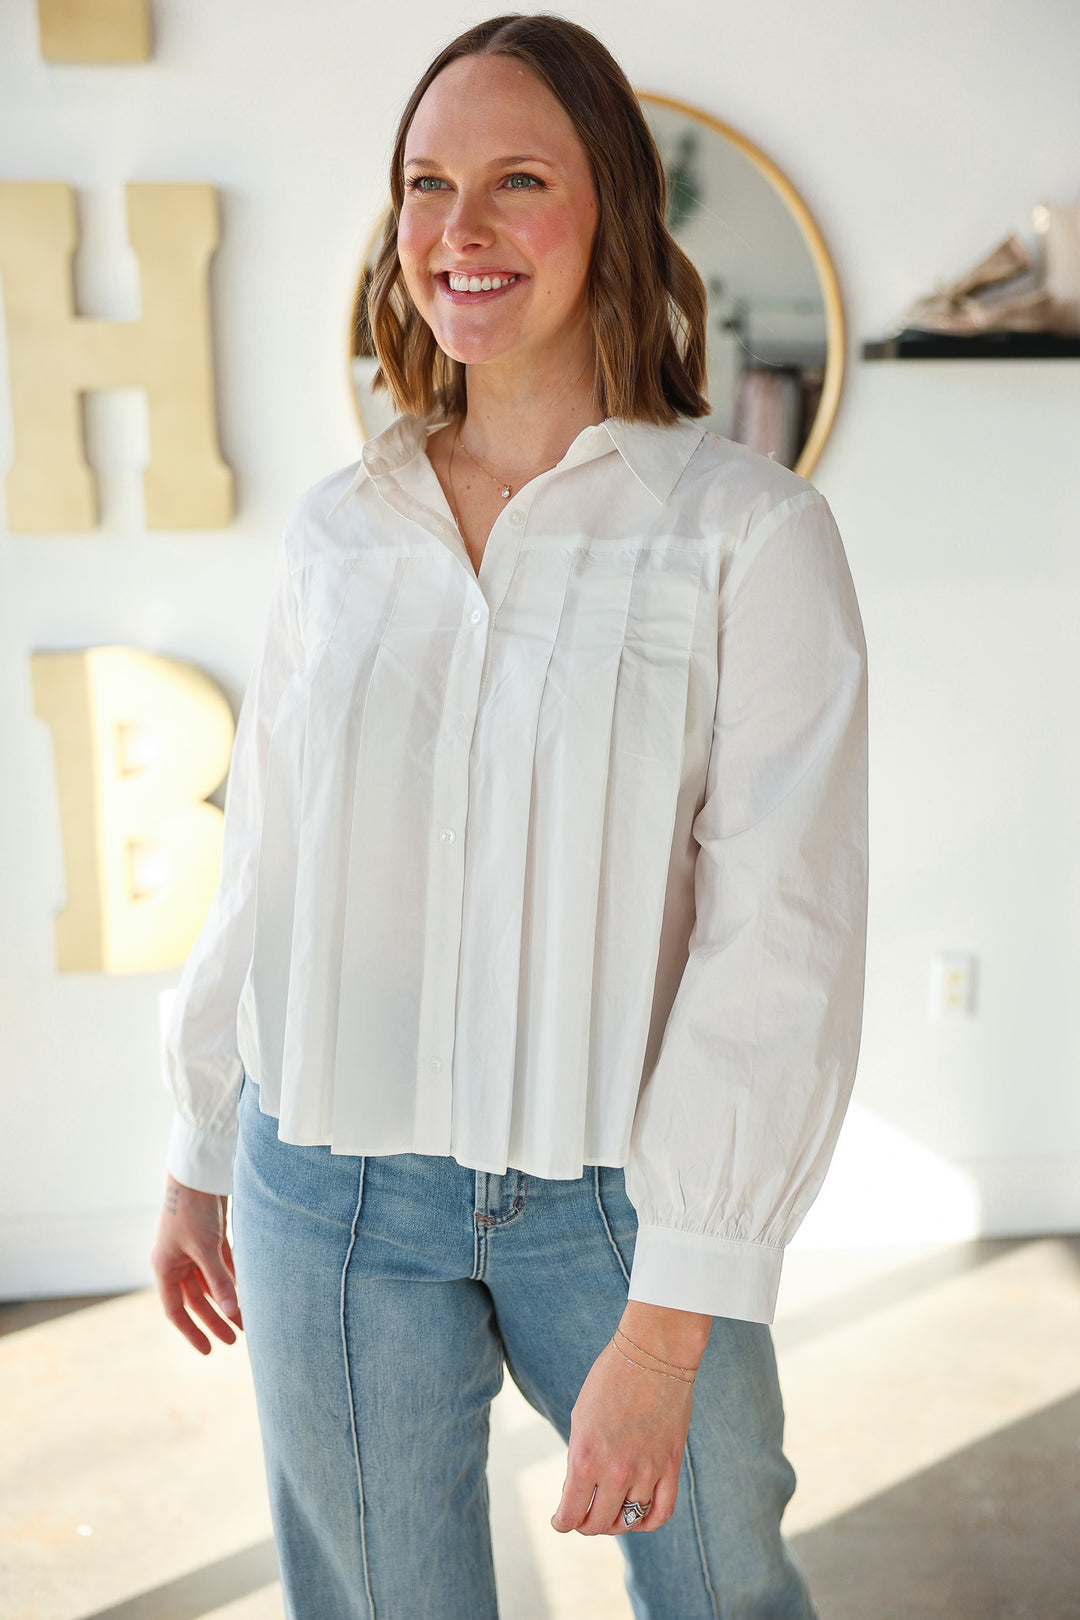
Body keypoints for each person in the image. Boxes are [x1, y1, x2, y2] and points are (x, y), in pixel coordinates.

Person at [151, 14, 868, 1619]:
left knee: (719, 1588)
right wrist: (201, 1141)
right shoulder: (344, 526)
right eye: (426, 184)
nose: (457, 232)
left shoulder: (749, 534)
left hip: (621, 1205)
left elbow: (784, 941)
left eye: (516, 180)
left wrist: (673, 1324)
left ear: (610, 206)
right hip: (323, 1183)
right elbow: (265, 848)